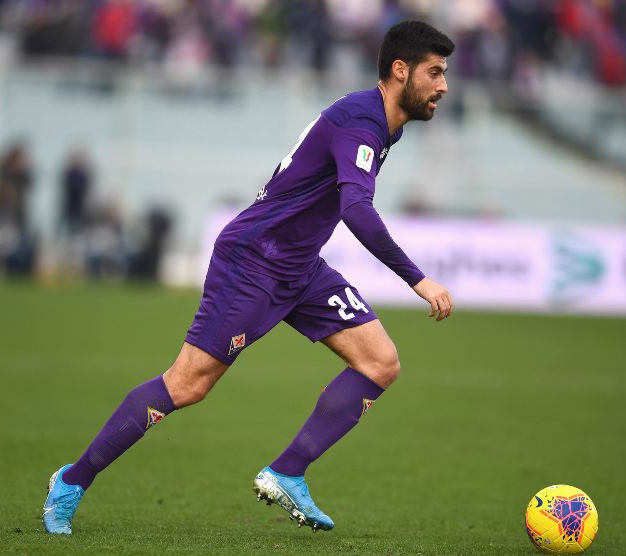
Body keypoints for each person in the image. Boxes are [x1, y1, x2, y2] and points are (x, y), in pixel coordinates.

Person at [42, 20, 455, 535]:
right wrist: (418, 280)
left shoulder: (380, 124)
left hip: (298, 264)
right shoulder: (361, 123)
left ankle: (287, 471)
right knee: (188, 384)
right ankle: (72, 481)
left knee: (380, 362)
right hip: (253, 261)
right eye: (435, 72)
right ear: (401, 70)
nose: (443, 85)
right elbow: (357, 208)